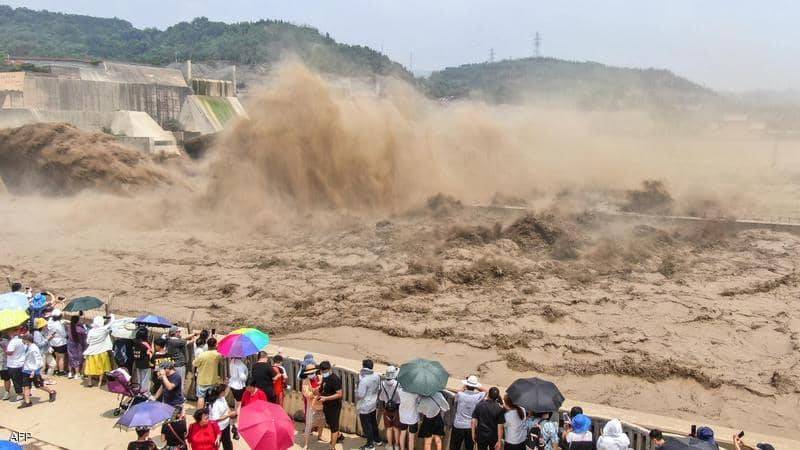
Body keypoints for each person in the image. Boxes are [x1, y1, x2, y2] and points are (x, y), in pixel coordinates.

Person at [18, 333, 56, 408]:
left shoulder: (34, 348)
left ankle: (51, 392)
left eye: (23, 339)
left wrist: (34, 371)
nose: (22, 340)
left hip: (33, 371)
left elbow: (39, 361)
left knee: (39, 385)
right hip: (26, 370)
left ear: (27, 340)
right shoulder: (26, 346)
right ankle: (27, 402)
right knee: (26, 386)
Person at [451, 375, 489, 450]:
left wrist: (464, 387)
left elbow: (455, 398)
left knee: (454, 447)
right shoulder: (478, 396)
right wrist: (475, 386)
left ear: (467, 385)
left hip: (458, 424)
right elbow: (486, 391)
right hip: (470, 426)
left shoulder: (460, 395)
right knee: (469, 447)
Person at [83, 315, 116, 387]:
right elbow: (112, 323)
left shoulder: (91, 331)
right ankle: (99, 383)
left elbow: (88, 341)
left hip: (91, 352)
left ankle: (89, 382)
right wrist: (111, 316)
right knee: (102, 367)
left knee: (90, 367)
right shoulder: (103, 330)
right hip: (101, 352)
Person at [357, 359, 382, 450]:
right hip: (373, 403)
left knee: (367, 426)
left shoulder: (364, 380)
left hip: (365, 406)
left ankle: (370, 444)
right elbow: (379, 388)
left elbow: (360, 395)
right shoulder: (376, 376)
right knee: (373, 422)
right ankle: (377, 439)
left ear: (364, 367)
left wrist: (356, 389)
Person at [318, 360, 344, 450]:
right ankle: (339, 435)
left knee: (334, 427)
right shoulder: (325, 377)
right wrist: (318, 391)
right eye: (322, 372)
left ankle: (332, 447)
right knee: (330, 423)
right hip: (326, 405)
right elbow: (323, 388)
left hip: (334, 406)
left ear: (329, 369)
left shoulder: (335, 379)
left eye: (325, 372)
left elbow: (339, 394)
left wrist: (326, 398)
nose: (323, 373)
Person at [193, 337, 222, 410]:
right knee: (212, 398)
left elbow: (194, 364)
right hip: (213, 380)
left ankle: (200, 413)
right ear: (215, 345)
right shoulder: (217, 355)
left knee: (201, 397)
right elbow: (222, 360)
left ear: (207, 344)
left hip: (202, 380)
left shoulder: (202, 355)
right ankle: (211, 413)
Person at [301, 364, 325, 449]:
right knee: (309, 423)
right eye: (309, 373)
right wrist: (314, 392)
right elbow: (306, 394)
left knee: (322, 421)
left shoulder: (321, 378)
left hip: (321, 404)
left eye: (312, 372)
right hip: (311, 406)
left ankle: (320, 435)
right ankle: (306, 443)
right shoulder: (305, 381)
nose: (311, 374)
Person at [378, 366, 402, 450]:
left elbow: (381, 398)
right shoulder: (398, 384)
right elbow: (400, 397)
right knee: (396, 428)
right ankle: (397, 445)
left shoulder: (382, 383)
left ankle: (390, 445)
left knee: (389, 428)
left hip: (386, 408)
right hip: (396, 408)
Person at [207, 385, 236, 450]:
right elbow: (216, 419)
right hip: (218, 428)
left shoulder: (222, 398)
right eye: (225, 390)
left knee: (227, 444)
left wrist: (230, 412)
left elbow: (226, 406)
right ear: (222, 392)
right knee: (215, 445)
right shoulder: (215, 404)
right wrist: (228, 415)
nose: (226, 391)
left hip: (226, 425)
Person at [227, 357, 247, 441]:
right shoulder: (241, 365)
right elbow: (243, 377)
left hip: (232, 384)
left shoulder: (232, 361)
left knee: (236, 401)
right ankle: (237, 424)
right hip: (239, 386)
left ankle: (235, 419)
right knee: (239, 405)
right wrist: (246, 371)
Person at [5, 326, 27, 402]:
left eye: (9, 331)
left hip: (13, 364)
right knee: (22, 379)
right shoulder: (21, 340)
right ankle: (26, 393)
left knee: (16, 381)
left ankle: (20, 395)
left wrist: (4, 348)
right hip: (21, 363)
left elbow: (10, 353)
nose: (8, 333)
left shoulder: (13, 341)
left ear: (13, 332)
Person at [398, 380, 420, 450]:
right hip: (412, 418)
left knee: (402, 434)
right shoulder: (415, 394)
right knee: (411, 437)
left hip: (402, 416)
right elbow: (419, 401)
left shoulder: (400, 391)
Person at [46, 308, 68, 376]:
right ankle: (61, 371)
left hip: (52, 342)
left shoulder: (50, 321)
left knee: (55, 356)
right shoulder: (58, 324)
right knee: (61, 357)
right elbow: (63, 334)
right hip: (60, 342)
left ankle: (55, 370)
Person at [132, 327, 154, 394]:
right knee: (146, 379)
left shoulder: (135, 342)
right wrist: (152, 343)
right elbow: (151, 352)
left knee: (140, 378)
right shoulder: (145, 344)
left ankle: (139, 391)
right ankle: (145, 393)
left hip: (138, 363)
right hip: (145, 364)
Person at [66, 315, 87, 380]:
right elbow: (85, 333)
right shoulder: (80, 329)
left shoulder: (69, 327)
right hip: (78, 346)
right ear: (77, 321)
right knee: (77, 359)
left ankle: (70, 373)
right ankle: (77, 374)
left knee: (71, 358)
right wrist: (84, 326)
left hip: (70, 345)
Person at [0, 332, 11, 400]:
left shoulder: (5, 341)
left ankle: (7, 392)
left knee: (6, 378)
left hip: (4, 363)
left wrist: (4, 347)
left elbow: (10, 351)